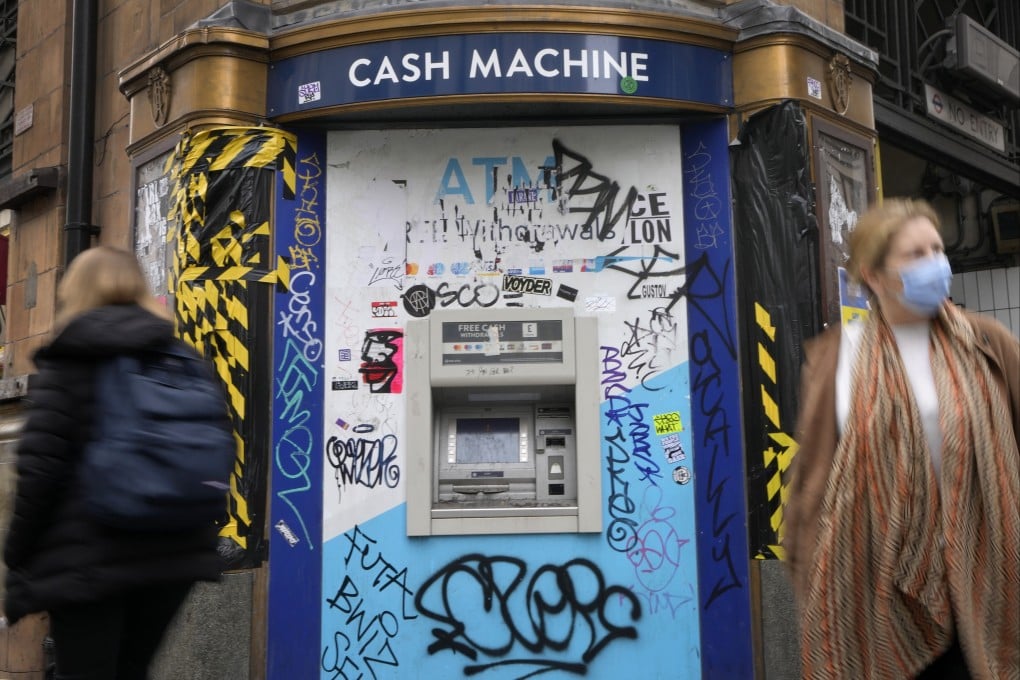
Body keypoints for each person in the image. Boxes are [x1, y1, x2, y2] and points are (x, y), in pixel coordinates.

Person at [784, 198, 1020, 679]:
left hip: (984, 580)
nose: (936, 263)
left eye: (937, 249)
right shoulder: (839, 358)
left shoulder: (985, 342)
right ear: (873, 275)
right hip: (876, 593)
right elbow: (813, 483)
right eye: (916, 255)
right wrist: (810, 578)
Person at [2, 246, 225, 679]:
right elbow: (215, 442)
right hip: (174, 553)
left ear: (75, 292)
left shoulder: (72, 360)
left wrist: (17, 555)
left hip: (89, 560)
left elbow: (40, 470)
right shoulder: (182, 359)